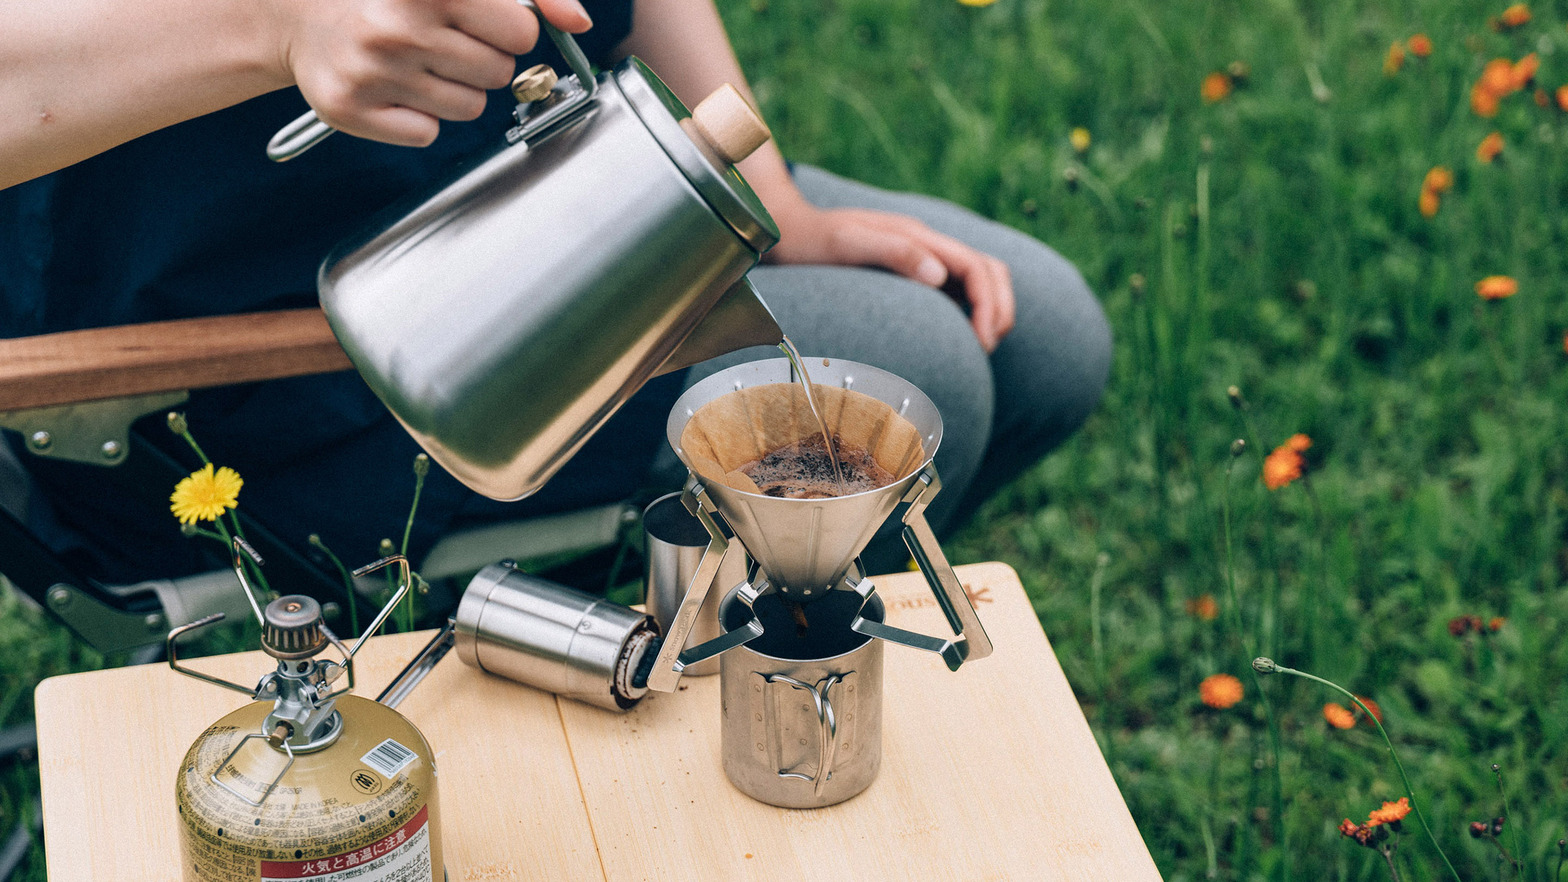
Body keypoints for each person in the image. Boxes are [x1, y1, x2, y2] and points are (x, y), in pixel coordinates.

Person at [1, 0, 1109, 588]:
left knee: (1045, 339)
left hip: (556, 198)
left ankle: (648, 645)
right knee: (910, 376)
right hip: (251, 374)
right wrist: (272, 25)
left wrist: (776, 205)